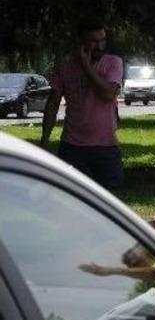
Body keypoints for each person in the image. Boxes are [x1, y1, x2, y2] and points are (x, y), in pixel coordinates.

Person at [40, 18, 124, 192]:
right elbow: (53, 103)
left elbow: (108, 94)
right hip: (72, 146)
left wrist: (86, 65)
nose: (100, 46)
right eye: (94, 41)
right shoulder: (65, 66)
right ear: (81, 42)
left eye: (103, 40)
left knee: (112, 199)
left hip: (106, 146)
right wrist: (45, 140)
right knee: (71, 199)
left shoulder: (113, 62)